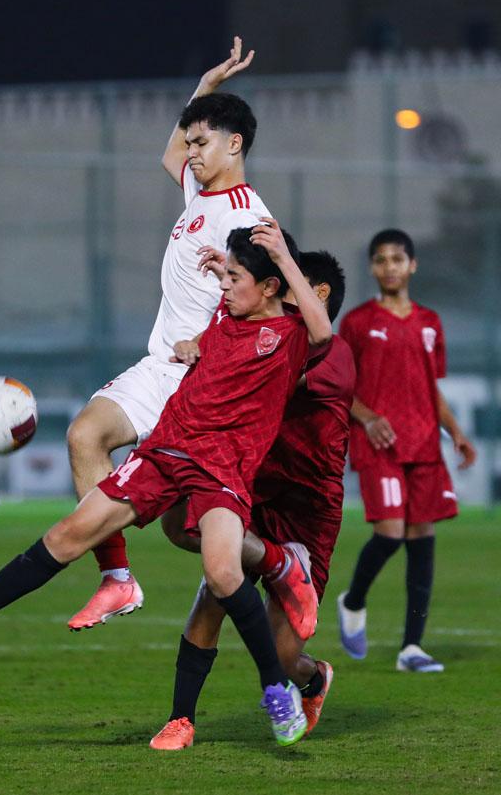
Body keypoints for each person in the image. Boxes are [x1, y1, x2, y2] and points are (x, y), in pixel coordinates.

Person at [0, 220, 331, 747]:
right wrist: (198, 330)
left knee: (223, 571)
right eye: (225, 277)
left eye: (235, 279)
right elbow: (217, 335)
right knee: (69, 533)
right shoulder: (225, 312)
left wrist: (283, 258)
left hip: (222, 471)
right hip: (166, 449)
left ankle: (276, 690)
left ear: (272, 286)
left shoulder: (291, 334)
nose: (225, 286)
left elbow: (323, 331)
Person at [64, 37, 272, 631]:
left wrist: (211, 340)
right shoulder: (199, 193)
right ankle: (117, 579)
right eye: (192, 141)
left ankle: (280, 563)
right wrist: (205, 89)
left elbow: (268, 302)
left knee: (186, 529)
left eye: (203, 142)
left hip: (203, 381)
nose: (190, 151)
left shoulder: (248, 216)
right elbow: (170, 154)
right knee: (85, 436)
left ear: (235, 145)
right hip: (161, 367)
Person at [149, 250, 353, 751]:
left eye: (284, 279)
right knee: (213, 588)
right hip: (252, 489)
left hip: (306, 516)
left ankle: (312, 678)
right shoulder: (264, 333)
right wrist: (199, 340)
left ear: (317, 293)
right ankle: (180, 719)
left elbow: (266, 368)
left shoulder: (330, 353)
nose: (274, 287)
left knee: (281, 659)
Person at [334, 229, 476, 673]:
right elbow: (339, 386)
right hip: (379, 444)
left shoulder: (430, 322)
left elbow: (431, 387)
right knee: (390, 534)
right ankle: (353, 600)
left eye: (397, 259)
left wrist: (455, 431)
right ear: (372, 267)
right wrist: (368, 418)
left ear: (412, 265)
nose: (389, 267)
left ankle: (411, 648)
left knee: (422, 542)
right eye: (380, 260)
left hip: (424, 443)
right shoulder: (357, 323)